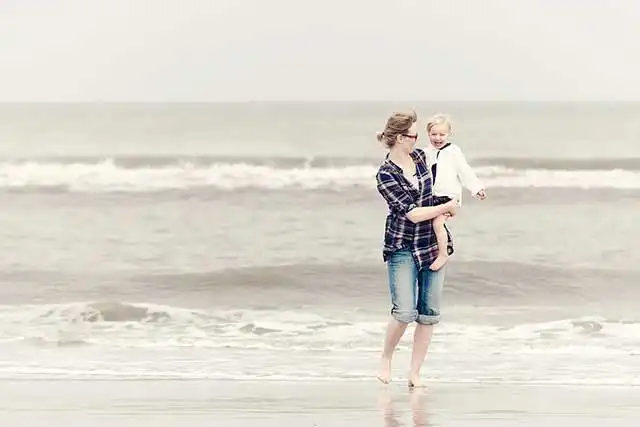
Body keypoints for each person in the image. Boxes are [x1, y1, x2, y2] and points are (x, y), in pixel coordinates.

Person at [375, 110, 458, 388]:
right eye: (414, 135)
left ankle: (414, 373)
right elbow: (411, 213)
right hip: (402, 244)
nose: (419, 140)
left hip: (431, 243)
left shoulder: (422, 158)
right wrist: (444, 207)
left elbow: (434, 191)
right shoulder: (385, 174)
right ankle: (386, 358)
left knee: (428, 313)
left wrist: (450, 203)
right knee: (404, 313)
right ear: (400, 138)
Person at [424, 114, 487, 271]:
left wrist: (476, 188)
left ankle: (444, 254)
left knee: (437, 223)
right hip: (432, 197)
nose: (438, 138)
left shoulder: (453, 151)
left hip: (449, 198)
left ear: (449, 134)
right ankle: (439, 244)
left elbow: (464, 171)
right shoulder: (425, 152)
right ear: (428, 134)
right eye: (434, 134)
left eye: (442, 134)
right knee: (426, 224)